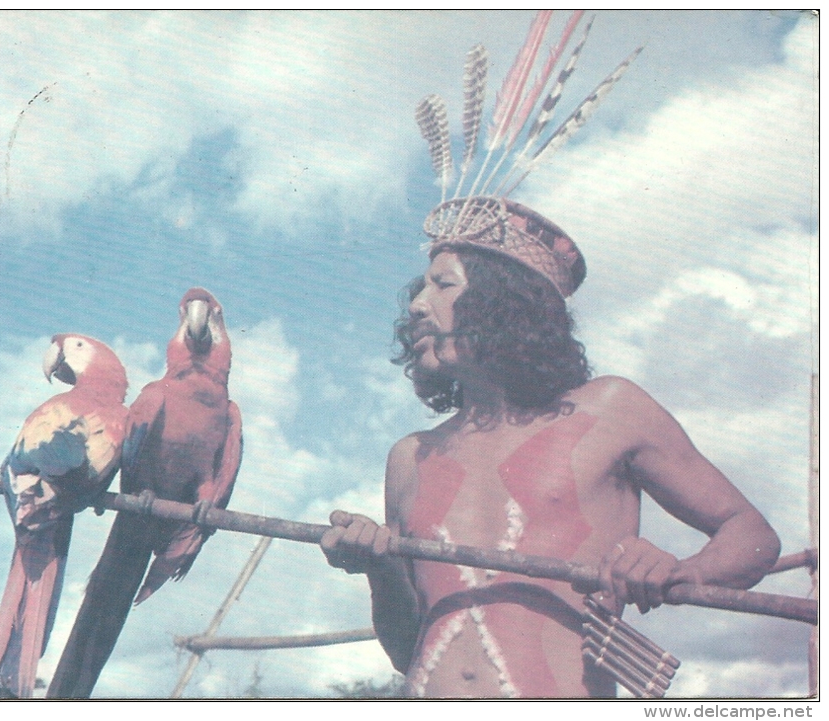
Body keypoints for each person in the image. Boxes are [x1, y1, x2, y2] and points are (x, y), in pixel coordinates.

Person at [320, 197, 781, 698]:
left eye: (443, 284)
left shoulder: (610, 409)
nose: (416, 304)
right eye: (422, 286)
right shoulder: (410, 456)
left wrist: (680, 571)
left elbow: (752, 536)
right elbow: (407, 644)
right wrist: (381, 570)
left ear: (504, 302)